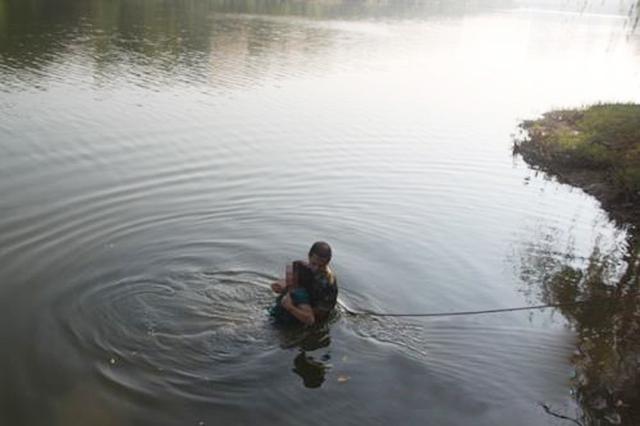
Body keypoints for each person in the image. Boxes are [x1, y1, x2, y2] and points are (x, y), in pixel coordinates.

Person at [270, 241, 338, 325]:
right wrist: (281, 286)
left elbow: (320, 313)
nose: (316, 268)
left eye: (321, 266)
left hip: (308, 315)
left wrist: (291, 307)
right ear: (309, 256)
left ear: (328, 262)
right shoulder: (302, 268)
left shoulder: (329, 283)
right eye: (313, 264)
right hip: (296, 304)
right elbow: (288, 284)